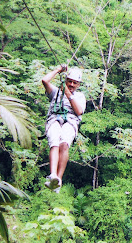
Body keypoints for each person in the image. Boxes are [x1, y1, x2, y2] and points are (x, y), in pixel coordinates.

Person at [42, 65, 86, 193]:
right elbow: (45, 81)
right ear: (65, 80)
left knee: (64, 143)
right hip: (54, 119)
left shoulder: (80, 97)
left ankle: (58, 180)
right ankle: (53, 175)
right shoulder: (55, 92)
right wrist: (58, 70)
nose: (72, 84)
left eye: (75, 82)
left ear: (78, 84)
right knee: (54, 142)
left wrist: (67, 92)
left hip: (71, 121)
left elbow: (78, 111)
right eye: (69, 81)